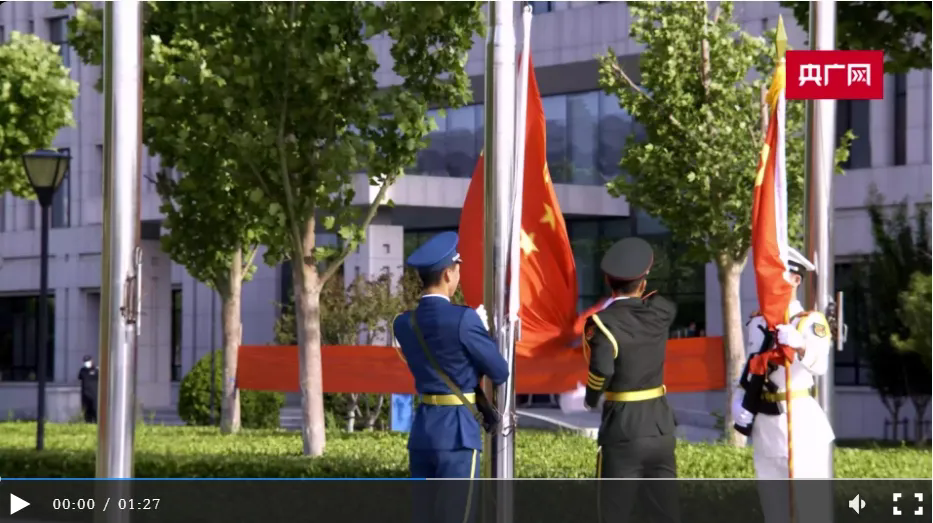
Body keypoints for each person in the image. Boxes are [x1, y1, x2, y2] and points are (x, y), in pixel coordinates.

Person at [392, 232, 509, 521]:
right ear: (447, 274)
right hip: (457, 433)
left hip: (423, 431)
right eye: (457, 270)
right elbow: (499, 370)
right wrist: (479, 332)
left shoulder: (404, 323)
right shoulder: (464, 319)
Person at [731, 247, 835, 523]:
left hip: (800, 426)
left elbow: (821, 366)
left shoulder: (809, 322)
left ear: (796, 279)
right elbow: (751, 367)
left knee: (810, 511)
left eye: (778, 273)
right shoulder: (757, 321)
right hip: (765, 427)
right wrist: (738, 399)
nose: (770, 279)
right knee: (774, 510)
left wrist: (801, 347)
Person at [581, 237, 680, 523]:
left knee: (615, 513)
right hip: (661, 429)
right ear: (644, 283)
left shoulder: (602, 323)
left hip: (623, 431)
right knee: (665, 514)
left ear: (607, 281)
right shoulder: (660, 313)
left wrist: (590, 399)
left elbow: (602, 371)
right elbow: (662, 301)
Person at [77, 355, 99, 423]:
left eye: (88, 361)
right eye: (85, 361)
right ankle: (88, 423)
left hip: (94, 395)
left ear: (91, 361)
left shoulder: (96, 370)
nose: (87, 363)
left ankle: (96, 423)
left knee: (95, 410)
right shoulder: (82, 370)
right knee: (86, 412)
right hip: (85, 395)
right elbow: (80, 378)